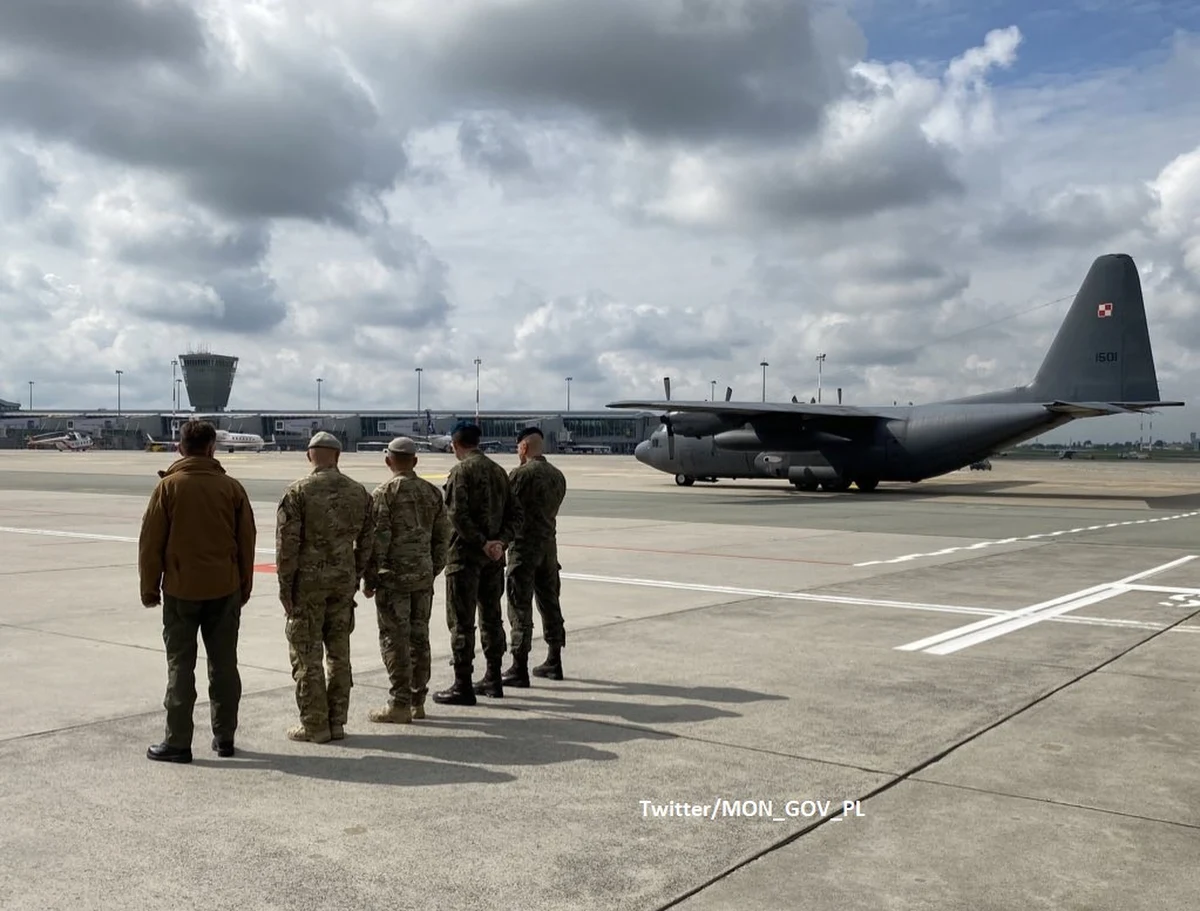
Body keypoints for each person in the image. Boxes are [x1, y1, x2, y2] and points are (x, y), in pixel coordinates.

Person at [138, 420, 257, 763]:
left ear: (180, 447)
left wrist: (149, 588)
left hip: (180, 589)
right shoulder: (231, 488)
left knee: (180, 665)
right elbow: (246, 541)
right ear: (211, 448)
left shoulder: (168, 488)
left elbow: (151, 543)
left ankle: (178, 741)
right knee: (224, 665)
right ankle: (225, 737)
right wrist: (243, 586)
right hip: (224, 588)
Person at [275, 431, 372, 743]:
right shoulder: (359, 492)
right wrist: (355, 574)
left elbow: (287, 547)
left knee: (307, 655)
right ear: (338, 456)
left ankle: (315, 724)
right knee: (339, 654)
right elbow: (368, 543)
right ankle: (337, 721)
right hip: (343, 584)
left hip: (308, 585)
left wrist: (285, 588)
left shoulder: (298, 492)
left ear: (309, 456)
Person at [362, 437, 451, 723]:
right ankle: (417, 700)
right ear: (415, 461)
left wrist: (371, 576)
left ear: (389, 461)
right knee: (419, 638)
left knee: (394, 639)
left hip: (394, 580)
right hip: (422, 577)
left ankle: (399, 702)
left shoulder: (384, 493)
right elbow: (442, 538)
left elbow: (378, 539)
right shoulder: (432, 493)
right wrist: (432, 568)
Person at [433, 421, 520, 705]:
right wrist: (500, 543)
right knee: (492, 618)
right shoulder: (498, 472)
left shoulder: (461, 471)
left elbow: (456, 515)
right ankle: (493, 678)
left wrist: (482, 542)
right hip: (493, 559)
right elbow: (516, 515)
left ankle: (463, 684)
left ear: (455, 444)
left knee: (461, 622)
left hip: (465, 558)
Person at [502, 426, 568, 686]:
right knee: (550, 603)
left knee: (520, 606)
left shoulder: (520, 475)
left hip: (523, 549)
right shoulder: (558, 476)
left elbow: (507, 509)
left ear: (524, 447)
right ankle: (554, 659)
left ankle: (519, 666)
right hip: (548, 548)